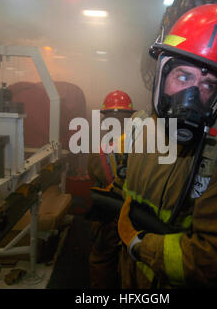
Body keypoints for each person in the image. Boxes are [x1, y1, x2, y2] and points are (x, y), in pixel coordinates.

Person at [117, 4, 217, 288]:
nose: (192, 97)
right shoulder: (138, 126)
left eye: (207, 85)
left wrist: (139, 245)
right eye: (183, 77)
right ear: (162, 73)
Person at [86, 90, 135, 289]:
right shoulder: (144, 148)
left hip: (107, 216)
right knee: (131, 263)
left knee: (102, 259)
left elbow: (94, 177)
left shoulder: (99, 151)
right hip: (134, 216)